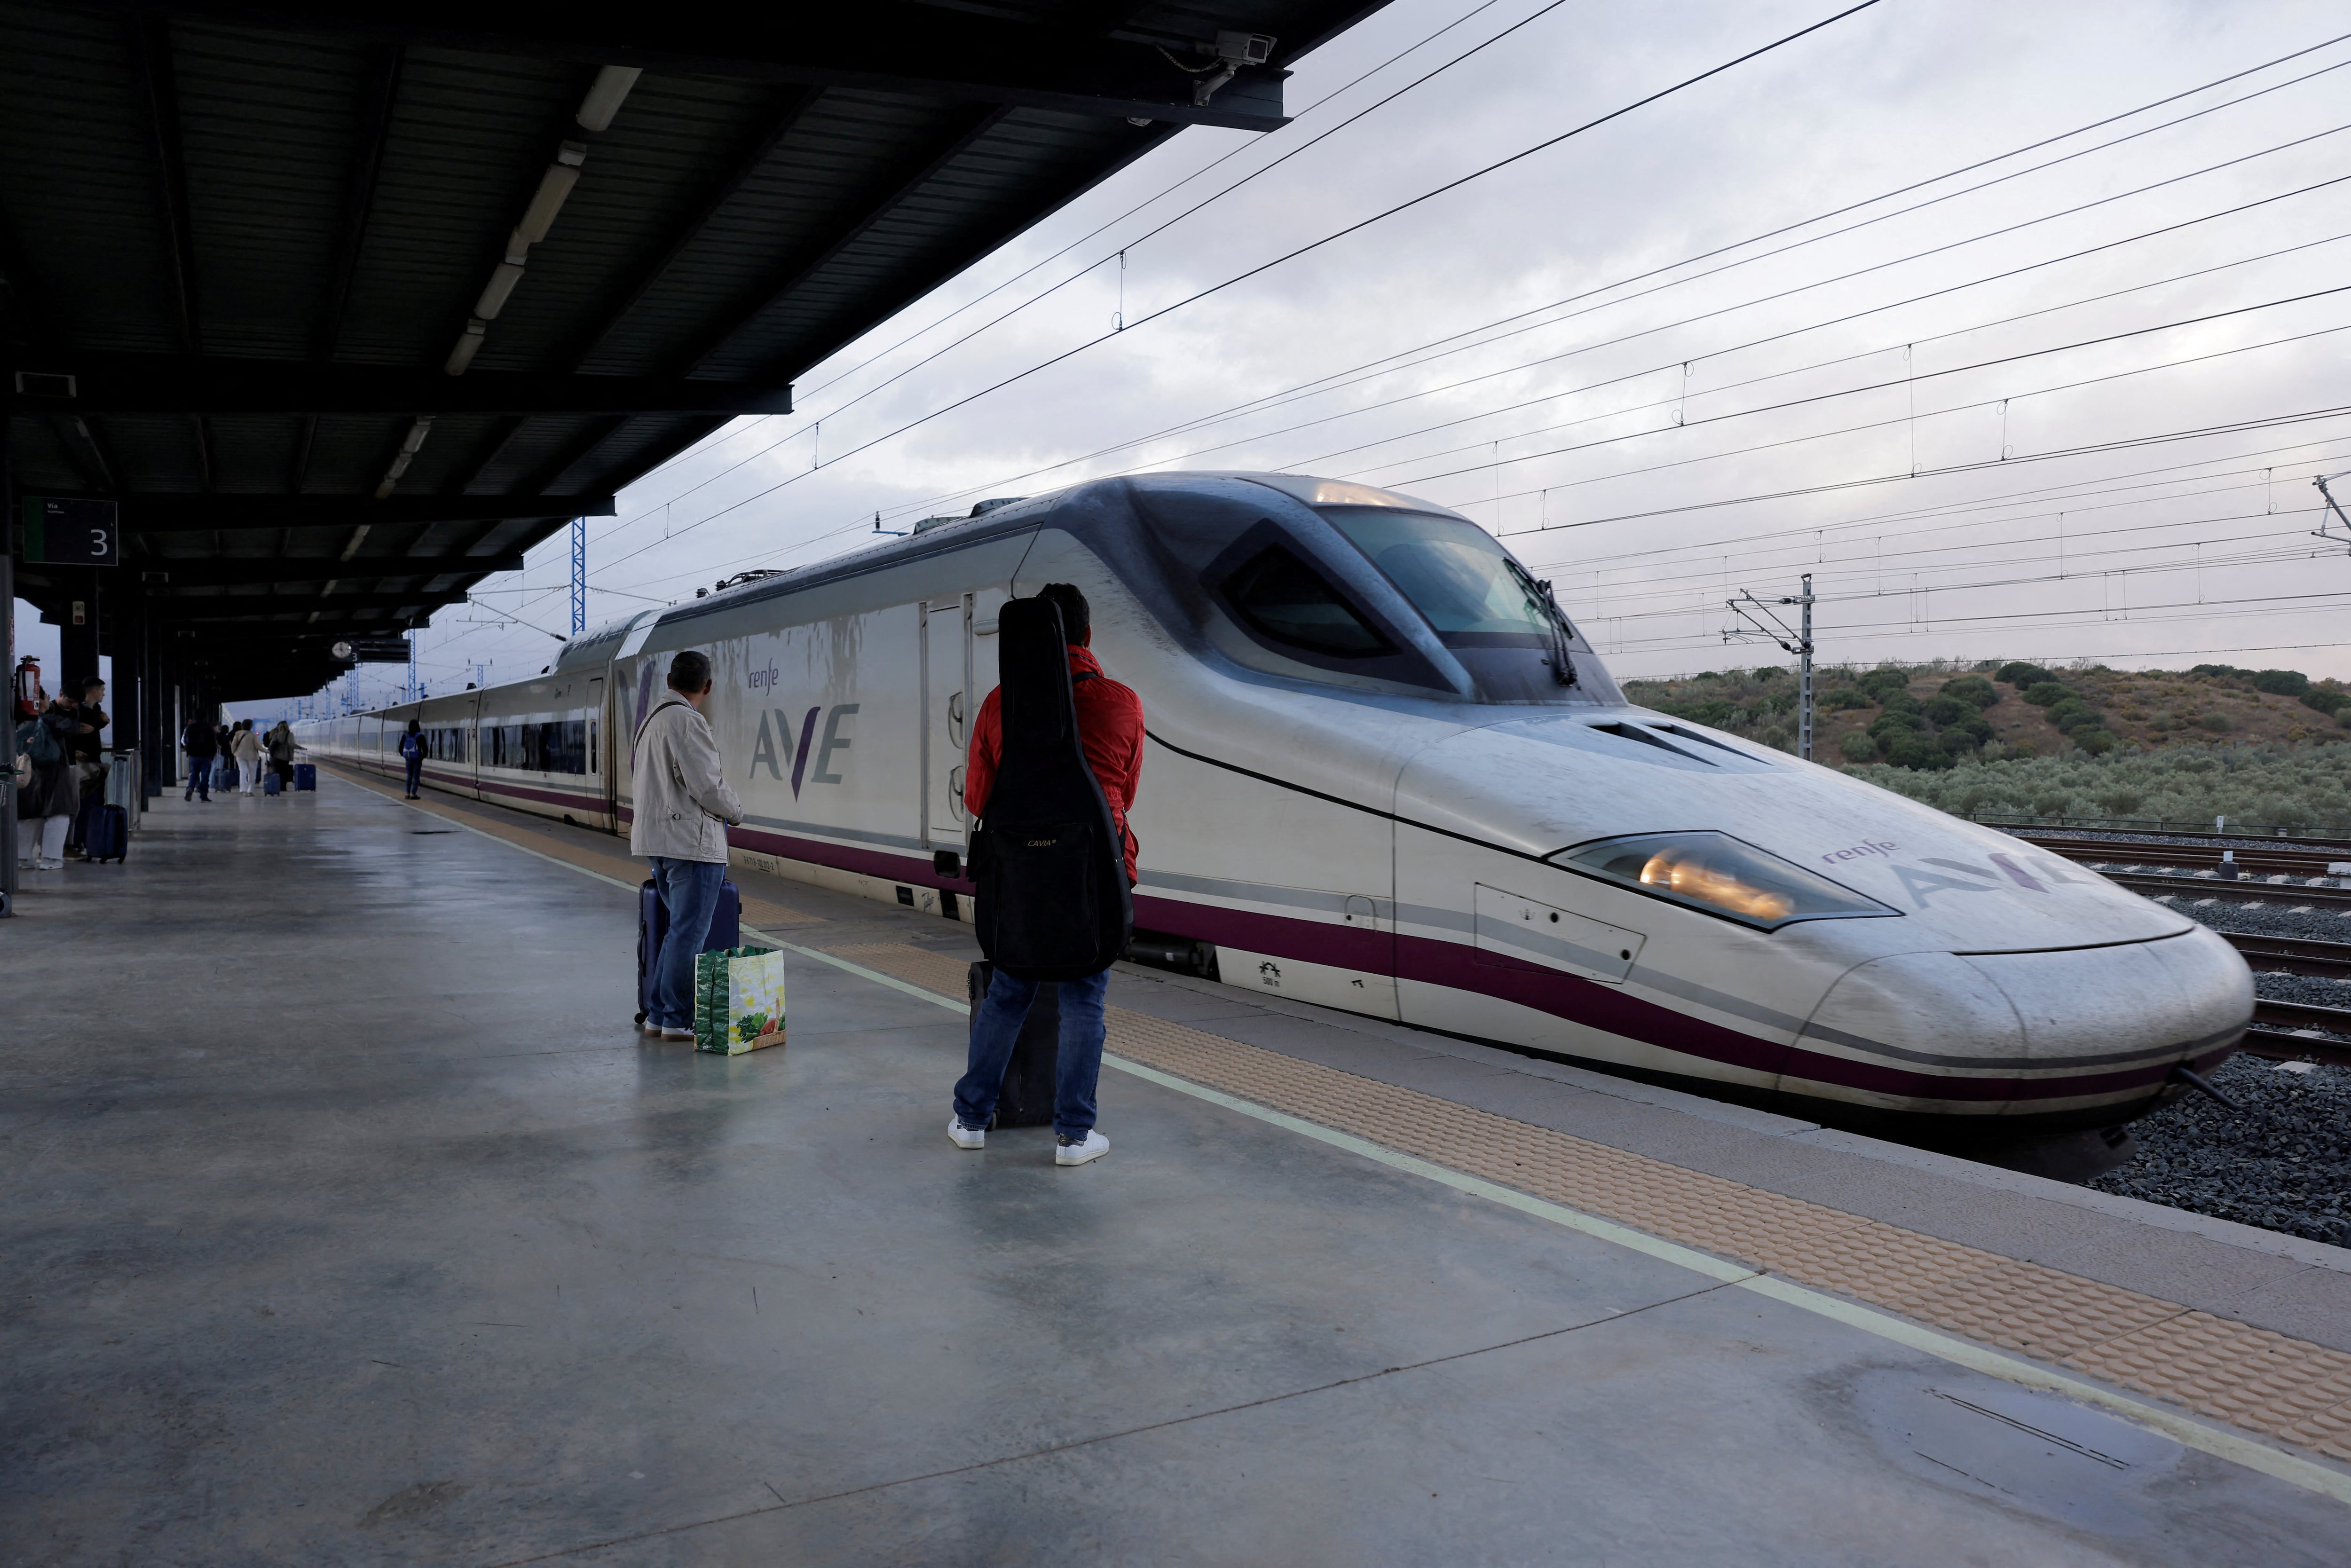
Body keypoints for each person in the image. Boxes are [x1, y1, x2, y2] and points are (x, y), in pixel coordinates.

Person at [949, 582, 1143, 1168]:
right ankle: (1074, 1135)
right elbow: (1124, 792)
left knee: (1010, 991)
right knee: (1085, 996)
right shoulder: (1120, 702)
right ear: (1083, 636)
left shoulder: (997, 704)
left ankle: (971, 1119)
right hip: (1094, 874)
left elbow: (980, 799)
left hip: (1020, 876)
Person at [629, 650, 744, 1041]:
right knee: (688, 934)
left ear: (669, 680)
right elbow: (708, 787)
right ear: (707, 687)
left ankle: (659, 1016)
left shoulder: (652, 722)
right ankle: (677, 1018)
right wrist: (737, 809)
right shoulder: (687, 722)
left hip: (659, 842)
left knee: (677, 931)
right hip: (690, 844)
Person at [16, 694, 81, 871]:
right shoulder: (50, 721)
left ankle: (22, 858)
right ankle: (51, 858)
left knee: (29, 816)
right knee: (59, 814)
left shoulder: (16, 722)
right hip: (54, 773)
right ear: (40, 701)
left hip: (26, 772)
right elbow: (73, 729)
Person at [64, 677, 108, 858]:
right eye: (102, 690)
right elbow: (77, 730)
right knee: (83, 803)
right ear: (93, 692)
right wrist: (72, 751)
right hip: (84, 765)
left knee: (94, 802)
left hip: (94, 762)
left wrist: (100, 724)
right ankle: (76, 841)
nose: (104, 694)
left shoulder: (95, 710)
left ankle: (86, 840)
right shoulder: (79, 711)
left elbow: (99, 722)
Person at [181, 712, 218, 802]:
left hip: (194, 755)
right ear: (205, 717)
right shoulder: (208, 727)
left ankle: (190, 788)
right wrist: (213, 754)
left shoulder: (190, 727)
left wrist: (189, 751)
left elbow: (185, 740)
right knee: (205, 776)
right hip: (206, 755)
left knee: (194, 774)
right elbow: (213, 742)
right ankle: (203, 795)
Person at [233, 720, 263, 795]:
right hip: (252, 756)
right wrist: (267, 751)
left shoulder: (238, 734)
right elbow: (258, 746)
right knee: (252, 773)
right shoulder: (253, 735)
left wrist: (234, 753)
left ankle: (243, 790)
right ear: (251, 726)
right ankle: (250, 791)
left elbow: (234, 745)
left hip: (240, 755)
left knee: (243, 772)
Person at [265, 720, 295, 792]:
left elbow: (271, 745)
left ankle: (277, 787)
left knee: (278, 772)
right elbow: (291, 744)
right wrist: (300, 748)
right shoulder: (290, 734)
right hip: (285, 757)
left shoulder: (277, 734)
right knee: (285, 772)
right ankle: (283, 787)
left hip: (277, 757)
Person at [399, 718, 425, 798]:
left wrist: (405, 756)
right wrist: (422, 757)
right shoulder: (420, 736)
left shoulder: (405, 736)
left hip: (408, 759)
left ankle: (407, 794)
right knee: (416, 777)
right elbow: (425, 749)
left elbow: (400, 749)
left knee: (409, 776)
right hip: (417, 759)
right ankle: (413, 795)